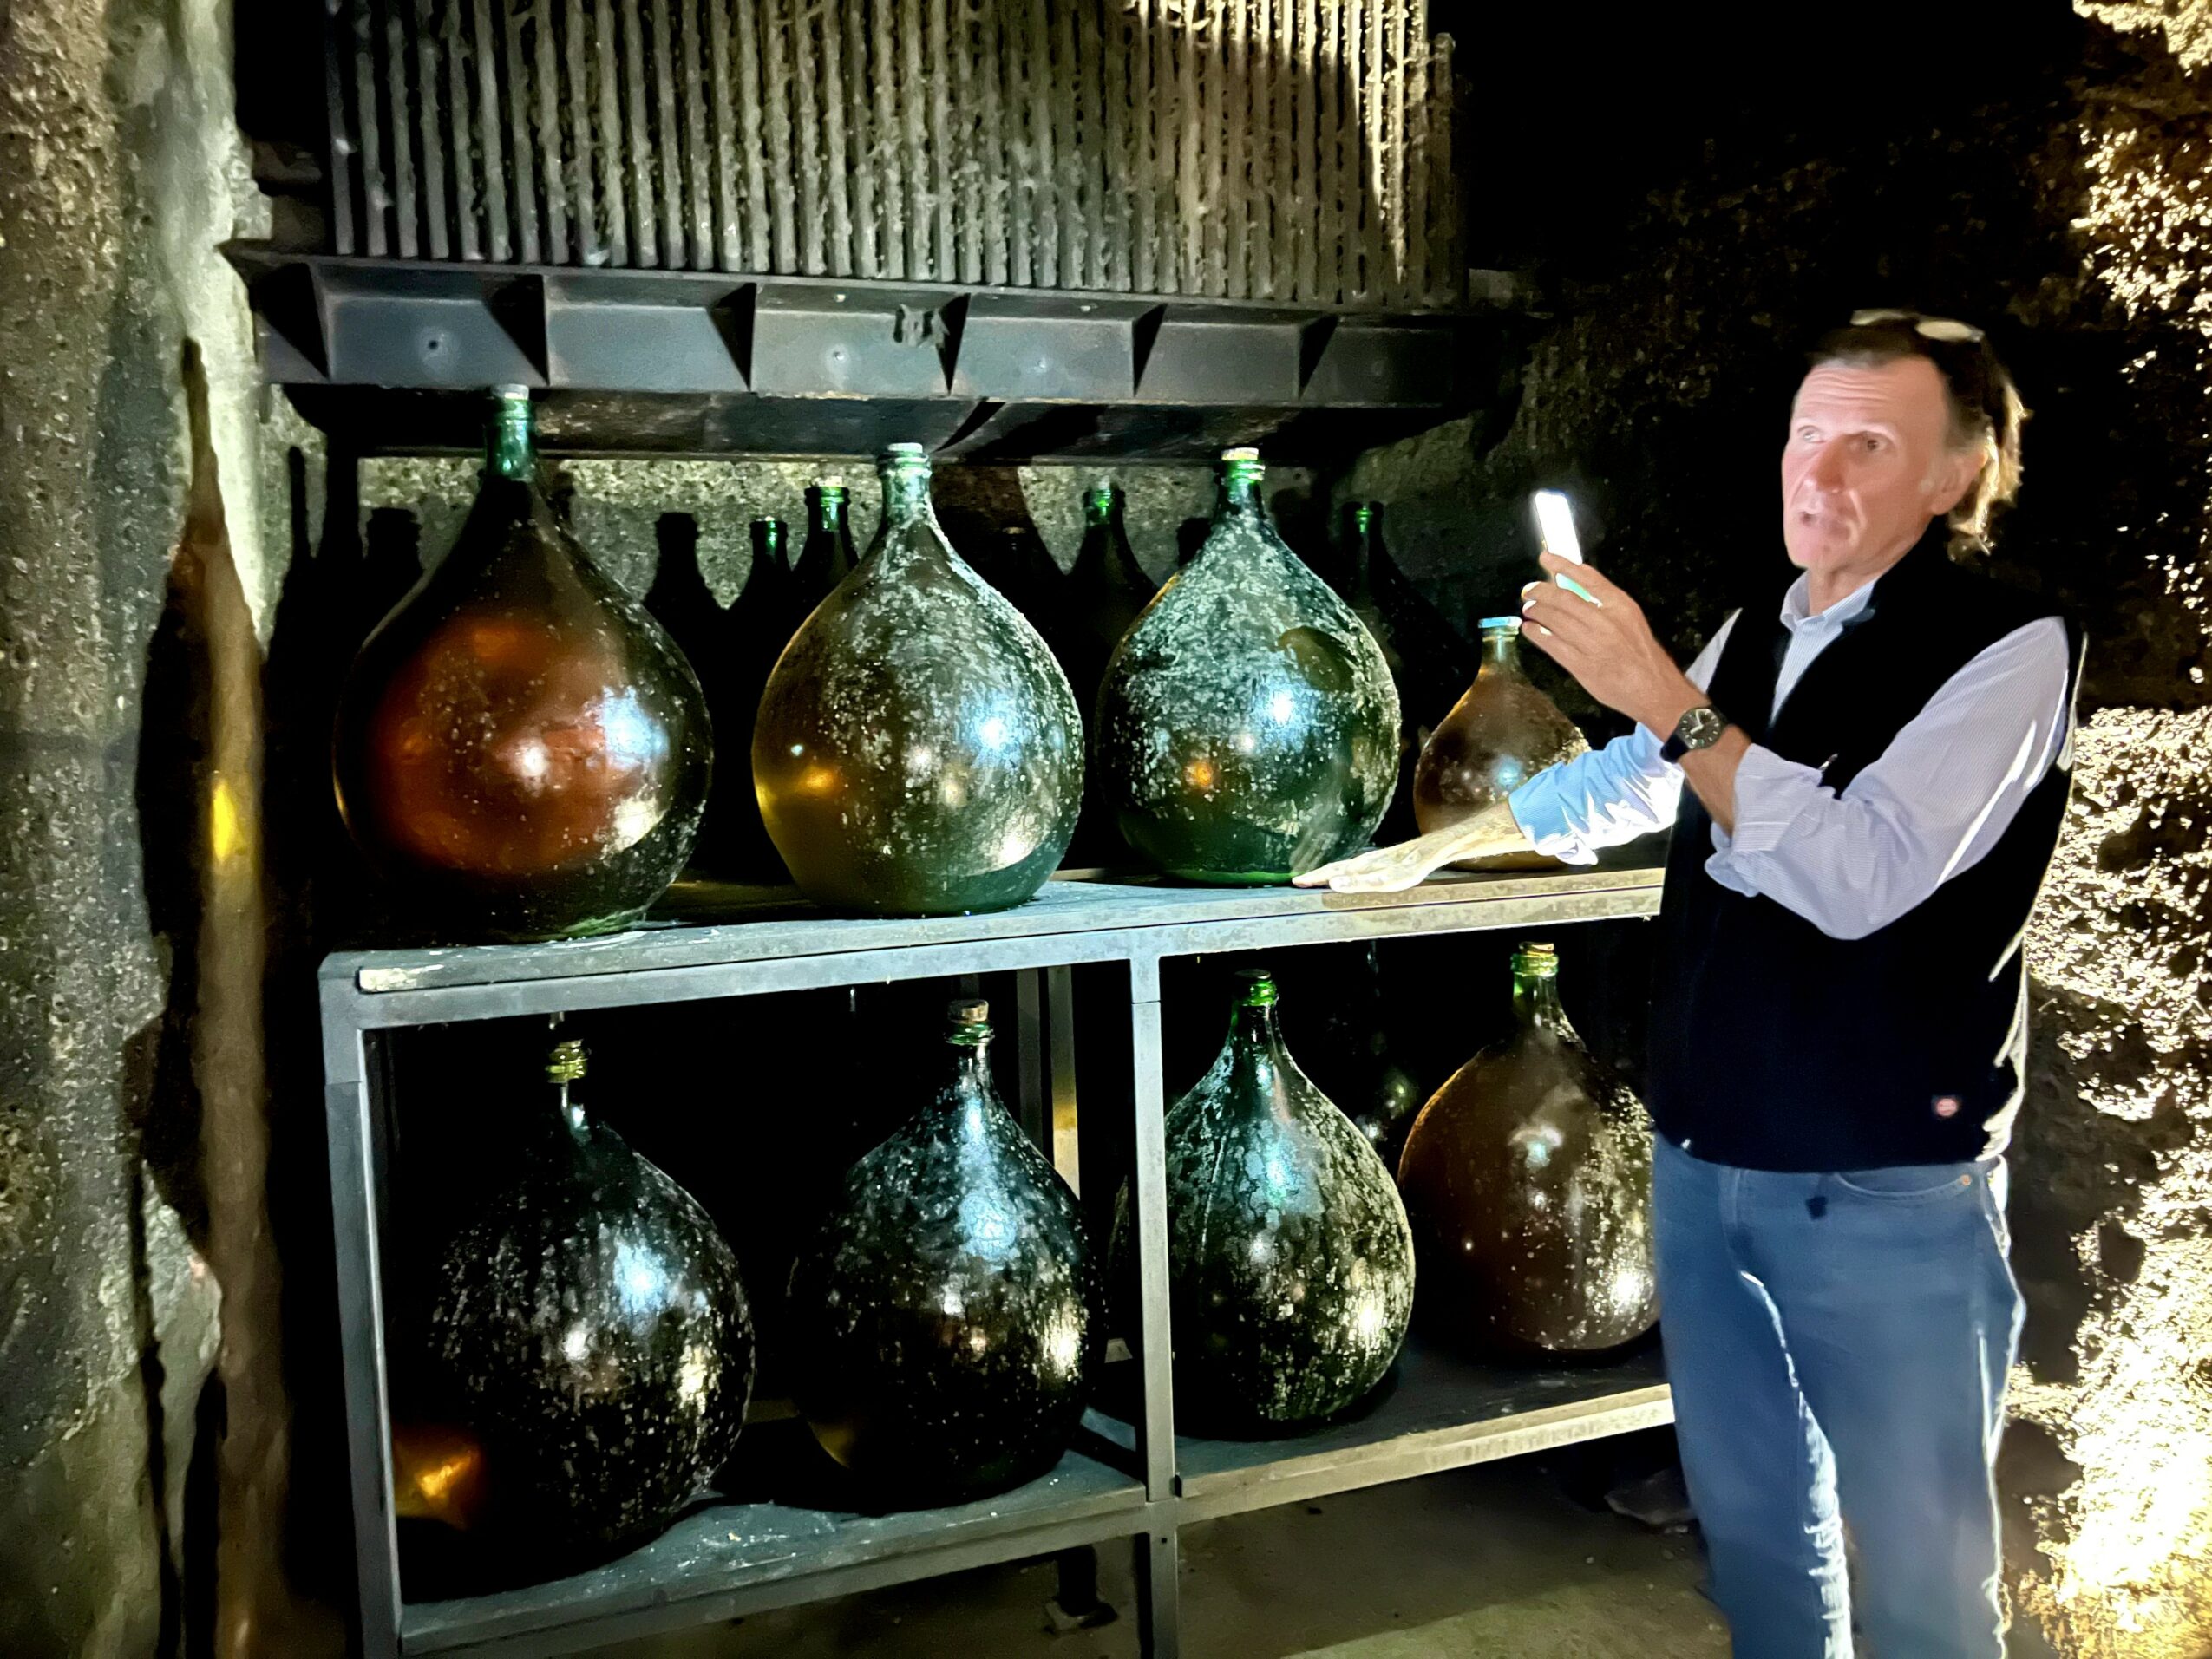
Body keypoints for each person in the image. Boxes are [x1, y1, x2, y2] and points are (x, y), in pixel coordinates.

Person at [1298, 310, 2082, 1657]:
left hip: (1880, 1190)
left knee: (1921, 1582)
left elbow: (1857, 874)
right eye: (1803, 435)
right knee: (1761, 1538)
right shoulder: (1761, 628)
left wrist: (1668, 695)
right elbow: (1632, 784)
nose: (1815, 473)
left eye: (1866, 444)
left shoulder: (2005, 646)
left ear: (1952, 475)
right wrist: (1435, 848)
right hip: (1706, 1160)